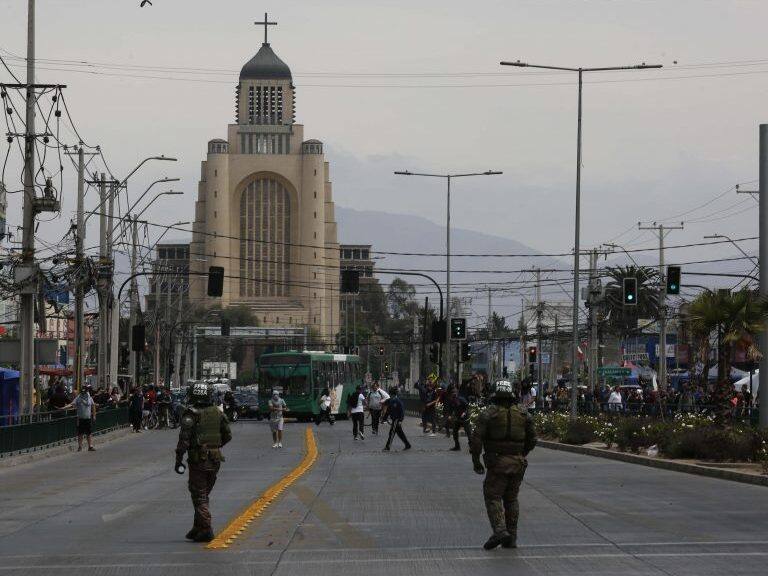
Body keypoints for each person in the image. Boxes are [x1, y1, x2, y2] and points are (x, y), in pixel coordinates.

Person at [470, 380, 536, 550]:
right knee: (511, 498)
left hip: (497, 462)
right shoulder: (523, 414)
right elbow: (532, 439)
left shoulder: (488, 414)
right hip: (518, 462)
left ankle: (500, 530)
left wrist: (476, 461)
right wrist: (522, 453)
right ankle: (512, 537)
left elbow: (476, 440)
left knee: (493, 496)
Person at [175, 382, 232, 543]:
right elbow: (227, 435)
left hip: (198, 460)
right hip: (215, 459)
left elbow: (184, 441)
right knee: (203, 493)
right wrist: (215, 446)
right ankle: (197, 527)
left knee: (199, 495)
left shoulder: (190, 414)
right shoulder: (218, 412)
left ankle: (206, 528)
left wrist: (178, 460)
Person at [64, 385, 97, 451]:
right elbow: (72, 404)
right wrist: (63, 408)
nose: (83, 393)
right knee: (80, 433)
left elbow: (93, 406)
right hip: (81, 418)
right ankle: (80, 446)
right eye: (82, 392)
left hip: (87, 417)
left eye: (85, 392)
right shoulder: (78, 398)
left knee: (89, 433)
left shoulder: (89, 398)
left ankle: (90, 446)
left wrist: (94, 415)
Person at [382, 387, 411, 451]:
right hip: (394, 419)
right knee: (400, 434)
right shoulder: (391, 401)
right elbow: (388, 411)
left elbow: (402, 412)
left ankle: (388, 447)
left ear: (393, 394)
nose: (390, 396)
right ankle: (407, 444)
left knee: (391, 433)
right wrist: (384, 418)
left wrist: (400, 420)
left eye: (391, 394)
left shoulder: (398, 401)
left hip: (397, 420)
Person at [447, 387, 471, 451]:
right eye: (452, 393)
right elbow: (450, 409)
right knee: (454, 432)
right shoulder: (451, 400)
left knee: (468, 433)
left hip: (465, 418)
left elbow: (467, 406)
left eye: (455, 393)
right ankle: (457, 446)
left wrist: (464, 413)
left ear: (457, 393)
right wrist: (449, 415)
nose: (453, 394)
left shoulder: (461, 399)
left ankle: (472, 446)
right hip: (458, 418)